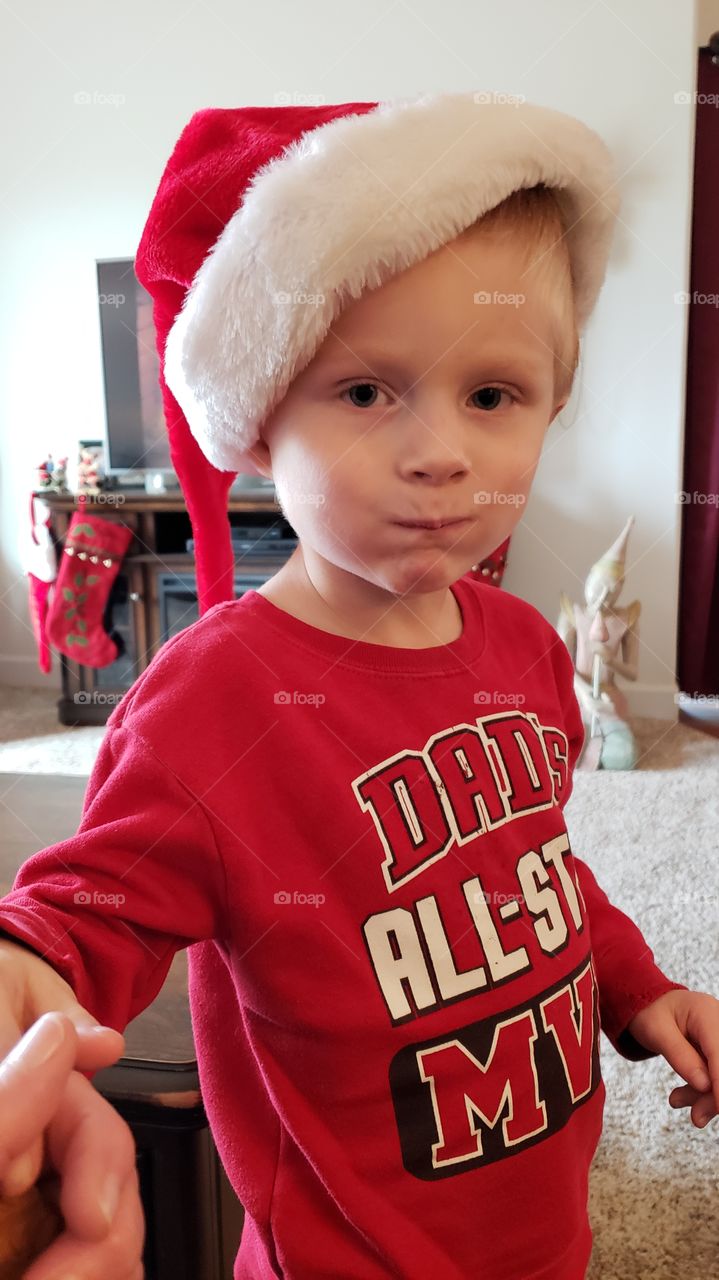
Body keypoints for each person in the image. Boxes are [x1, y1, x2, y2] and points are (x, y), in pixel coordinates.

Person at [0, 91, 717, 1280]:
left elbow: (529, 868)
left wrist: (634, 987)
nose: (440, 450)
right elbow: (83, 916)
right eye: (365, 391)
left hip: (543, 1233)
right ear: (260, 417)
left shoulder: (522, 650)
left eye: (491, 395)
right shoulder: (215, 702)